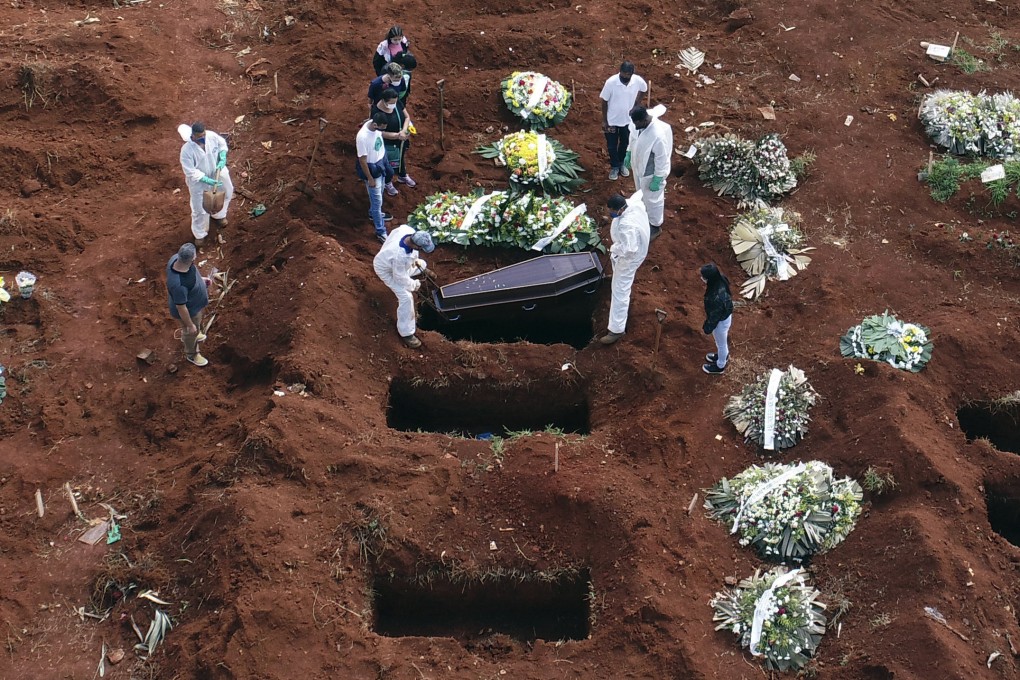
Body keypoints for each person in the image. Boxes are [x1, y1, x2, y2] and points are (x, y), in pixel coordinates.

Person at [600, 192, 651, 345]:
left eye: (612, 211)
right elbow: (638, 196)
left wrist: (615, 248)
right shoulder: (633, 204)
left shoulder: (626, 226)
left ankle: (616, 329)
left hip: (630, 258)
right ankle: (616, 275)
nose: (610, 214)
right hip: (636, 248)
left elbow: (629, 249)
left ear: (620, 210)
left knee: (620, 290)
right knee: (618, 279)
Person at [373, 225, 435, 348]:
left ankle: (420, 269)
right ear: (416, 246)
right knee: (406, 297)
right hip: (386, 269)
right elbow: (399, 278)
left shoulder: (408, 231)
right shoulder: (400, 256)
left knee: (421, 263)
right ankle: (406, 333)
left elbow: (395, 232)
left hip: (395, 263)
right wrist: (413, 285)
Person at [179, 122, 233, 246]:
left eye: (204, 135)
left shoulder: (211, 136)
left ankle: (219, 214)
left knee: (226, 191)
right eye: (200, 136)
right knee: (199, 208)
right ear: (193, 136)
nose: (203, 138)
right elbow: (190, 171)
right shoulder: (186, 151)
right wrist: (205, 179)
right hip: (199, 181)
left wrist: (223, 155)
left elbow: (221, 144)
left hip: (216, 171)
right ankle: (201, 232)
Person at [624, 105, 673, 240]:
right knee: (640, 193)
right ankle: (644, 215)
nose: (634, 125)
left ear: (644, 120)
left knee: (653, 200)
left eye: (636, 123)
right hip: (638, 168)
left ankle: (655, 226)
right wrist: (629, 152)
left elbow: (661, 159)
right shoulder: (637, 124)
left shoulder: (657, 135)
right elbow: (633, 138)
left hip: (650, 174)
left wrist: (658, 178)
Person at [599, 61, 647, 181]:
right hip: (612, 120)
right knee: (611, 146)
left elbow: (644, 89)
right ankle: (614, 167)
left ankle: (621, 163)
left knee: (625, 143)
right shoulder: (611, 83)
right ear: (619, 71)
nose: (625, 76)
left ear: (632, 73)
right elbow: (604, 101)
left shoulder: (637, 81)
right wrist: (605, 121)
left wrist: (637, 103)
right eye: (623, 74)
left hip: (627, 120)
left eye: (628, 74)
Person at [166, 243, 210, 367]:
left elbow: (192, 274)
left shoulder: (176, 259)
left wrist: (201, 280)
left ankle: (196, 331)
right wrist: (190, 325)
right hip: (189, 312)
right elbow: (181, 308)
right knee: (190, 333)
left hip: (194, 307)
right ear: (192, 259)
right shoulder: (178, 285)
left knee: (196, 325)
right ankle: (192, 354)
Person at [356, 112, 395, 241]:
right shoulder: (362, 137)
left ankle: (373, 214)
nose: (381, 130)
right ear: (374, 124)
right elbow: (362, 159)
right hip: (372, 168)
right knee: (377, 200)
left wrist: (396, 136)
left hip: (381, 161)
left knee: (381, 191)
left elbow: (382, 134)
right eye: (380, 128)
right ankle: (380, 230)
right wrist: (370, 178)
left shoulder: (375, 125)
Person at [374, 88, 416, 193]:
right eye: (391, 103)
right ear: (384, 101)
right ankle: (387, 182)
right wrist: (397, 135)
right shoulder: (377, 112)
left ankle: (402, 175)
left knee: (400, 157)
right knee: (388, 164)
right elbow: (378, 132)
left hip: (400, 139)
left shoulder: (397, 103)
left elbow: (407, 117)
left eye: (395, 102)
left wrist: (404, 130)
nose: (394, 104)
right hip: (387, 143)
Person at [701, 263, 734, 375]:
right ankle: (722, 356)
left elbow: (714, 317)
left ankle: (720, 365)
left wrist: (707, 327)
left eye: (704, 277)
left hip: (720, 322)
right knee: (721, 343)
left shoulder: (715, 298)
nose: (702, 278)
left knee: (721, 344)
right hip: (726, 316)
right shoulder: (721, 280)